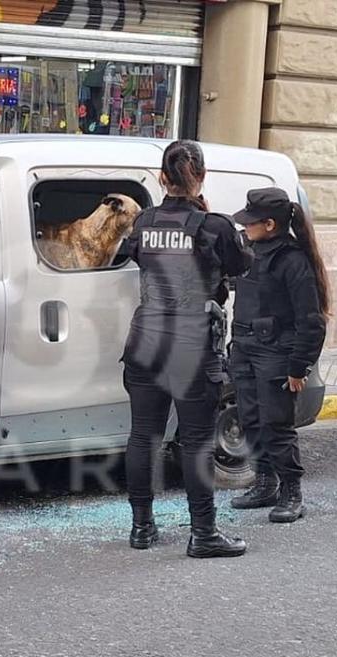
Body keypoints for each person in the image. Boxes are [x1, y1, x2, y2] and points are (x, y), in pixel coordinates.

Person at [118, 140, 251, 557]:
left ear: (162, 177)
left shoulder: (143, 223)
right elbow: (240, 264)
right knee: (195, 442)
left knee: (143, 436)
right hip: (192, 346)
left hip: (145, 342)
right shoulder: (215, 226)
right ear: (202, 177)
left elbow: (129, 256)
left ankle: (142, 528)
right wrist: (206, 214)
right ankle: (204, 534)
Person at [228, 189, 330, 523]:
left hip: (275, 352)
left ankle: (291, 491)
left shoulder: (292, 260)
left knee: (277, 426)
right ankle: (264, 482)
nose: (245, 227)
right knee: (250, 421)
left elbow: (311, 320)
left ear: (269, 224)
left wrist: (298, 366)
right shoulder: (250, 250)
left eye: (251, 221)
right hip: (244, 347)